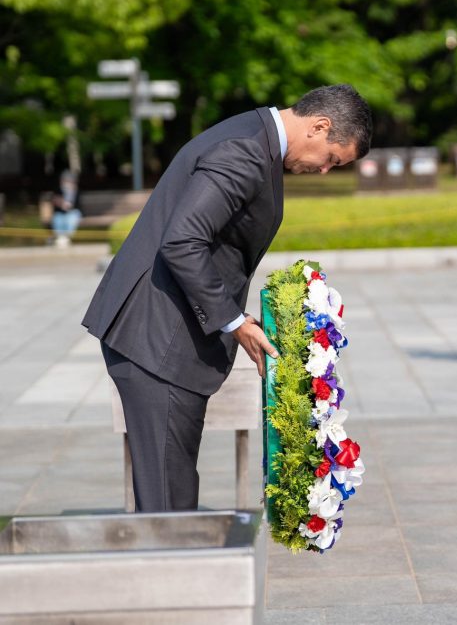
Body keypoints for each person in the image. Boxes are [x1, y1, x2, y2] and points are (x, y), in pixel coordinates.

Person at [82, 84, 372, 512]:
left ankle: (179, 574)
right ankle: (169, 578)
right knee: (168, 503)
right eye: (332, 158)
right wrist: (234, 322)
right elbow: (183, 242)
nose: (325, 170)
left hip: (163, 332)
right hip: (157, 337)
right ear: (319, 126)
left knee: (173, 491)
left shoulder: (253, 137)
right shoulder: (247, 151)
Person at [51, 169, 82, 248]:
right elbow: (54, 202)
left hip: (73, 212)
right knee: (58, 219)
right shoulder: (58, 190)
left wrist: (69, 206)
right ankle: (60, 237)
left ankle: (67, 237)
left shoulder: (76, 191)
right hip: (60, 212)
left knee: (71, 218)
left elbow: (77, 205)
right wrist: (61, 204)